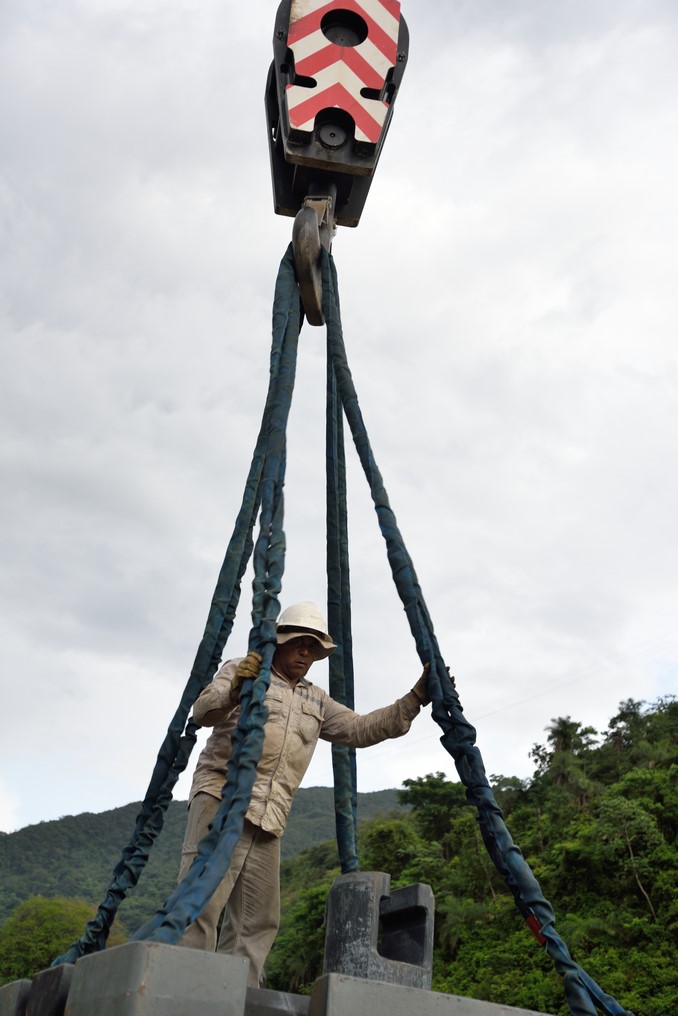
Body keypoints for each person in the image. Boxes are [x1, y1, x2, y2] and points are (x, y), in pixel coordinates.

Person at [177, 600, 430, 987]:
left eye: (313, 648)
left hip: (269, 816)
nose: (306, 654)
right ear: (280, 641)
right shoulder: (245, 671)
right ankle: (182, 992)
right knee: (201, 904)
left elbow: (360, 729)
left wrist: (415, 698)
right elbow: (202, 712)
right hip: (222, 799)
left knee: (258, 920)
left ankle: (236, 998)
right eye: (300, 644)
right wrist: (236, 689)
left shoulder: (315, 700)